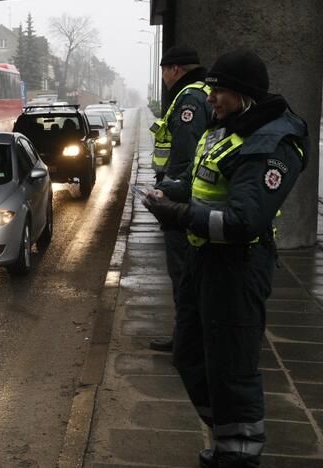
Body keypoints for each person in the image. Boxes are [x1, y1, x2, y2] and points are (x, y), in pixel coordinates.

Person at [144, 49, 308, 467]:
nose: (211, 97)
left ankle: (237, 456)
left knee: (232, 369)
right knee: (190, 356)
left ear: (244, 94)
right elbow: (203, 179)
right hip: (203, 264)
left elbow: (243, 222)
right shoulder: (225, 129)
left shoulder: (272, 143)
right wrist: (173, 193)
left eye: (220, 90)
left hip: (237, 268)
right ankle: (225, 439)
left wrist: (178, 215)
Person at [148, 45, 213, 352]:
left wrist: (168, 194)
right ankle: (190, 338)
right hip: (190, 198)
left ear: (174, 69)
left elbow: (186, 155)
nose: (162, 77)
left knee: (184, 275)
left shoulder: (188, 99)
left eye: (163, 70)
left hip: (181, 200)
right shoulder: (201, 92)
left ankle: (186, 343)